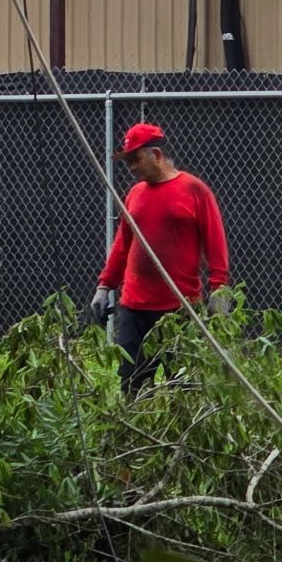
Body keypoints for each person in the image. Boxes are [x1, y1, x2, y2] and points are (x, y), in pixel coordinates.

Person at [90, 121, 230, 394]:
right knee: (132, 382)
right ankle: (134, 431)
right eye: (127, 160)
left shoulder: (194, 189)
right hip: (134, 306)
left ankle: (181, 433)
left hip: (178, 307)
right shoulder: (135, 194)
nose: (131, 167)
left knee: (183, 385)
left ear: (156, 155)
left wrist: (219, 287)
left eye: (135, 159)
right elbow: (123, 244)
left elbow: (215, 241)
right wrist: (105, 286)